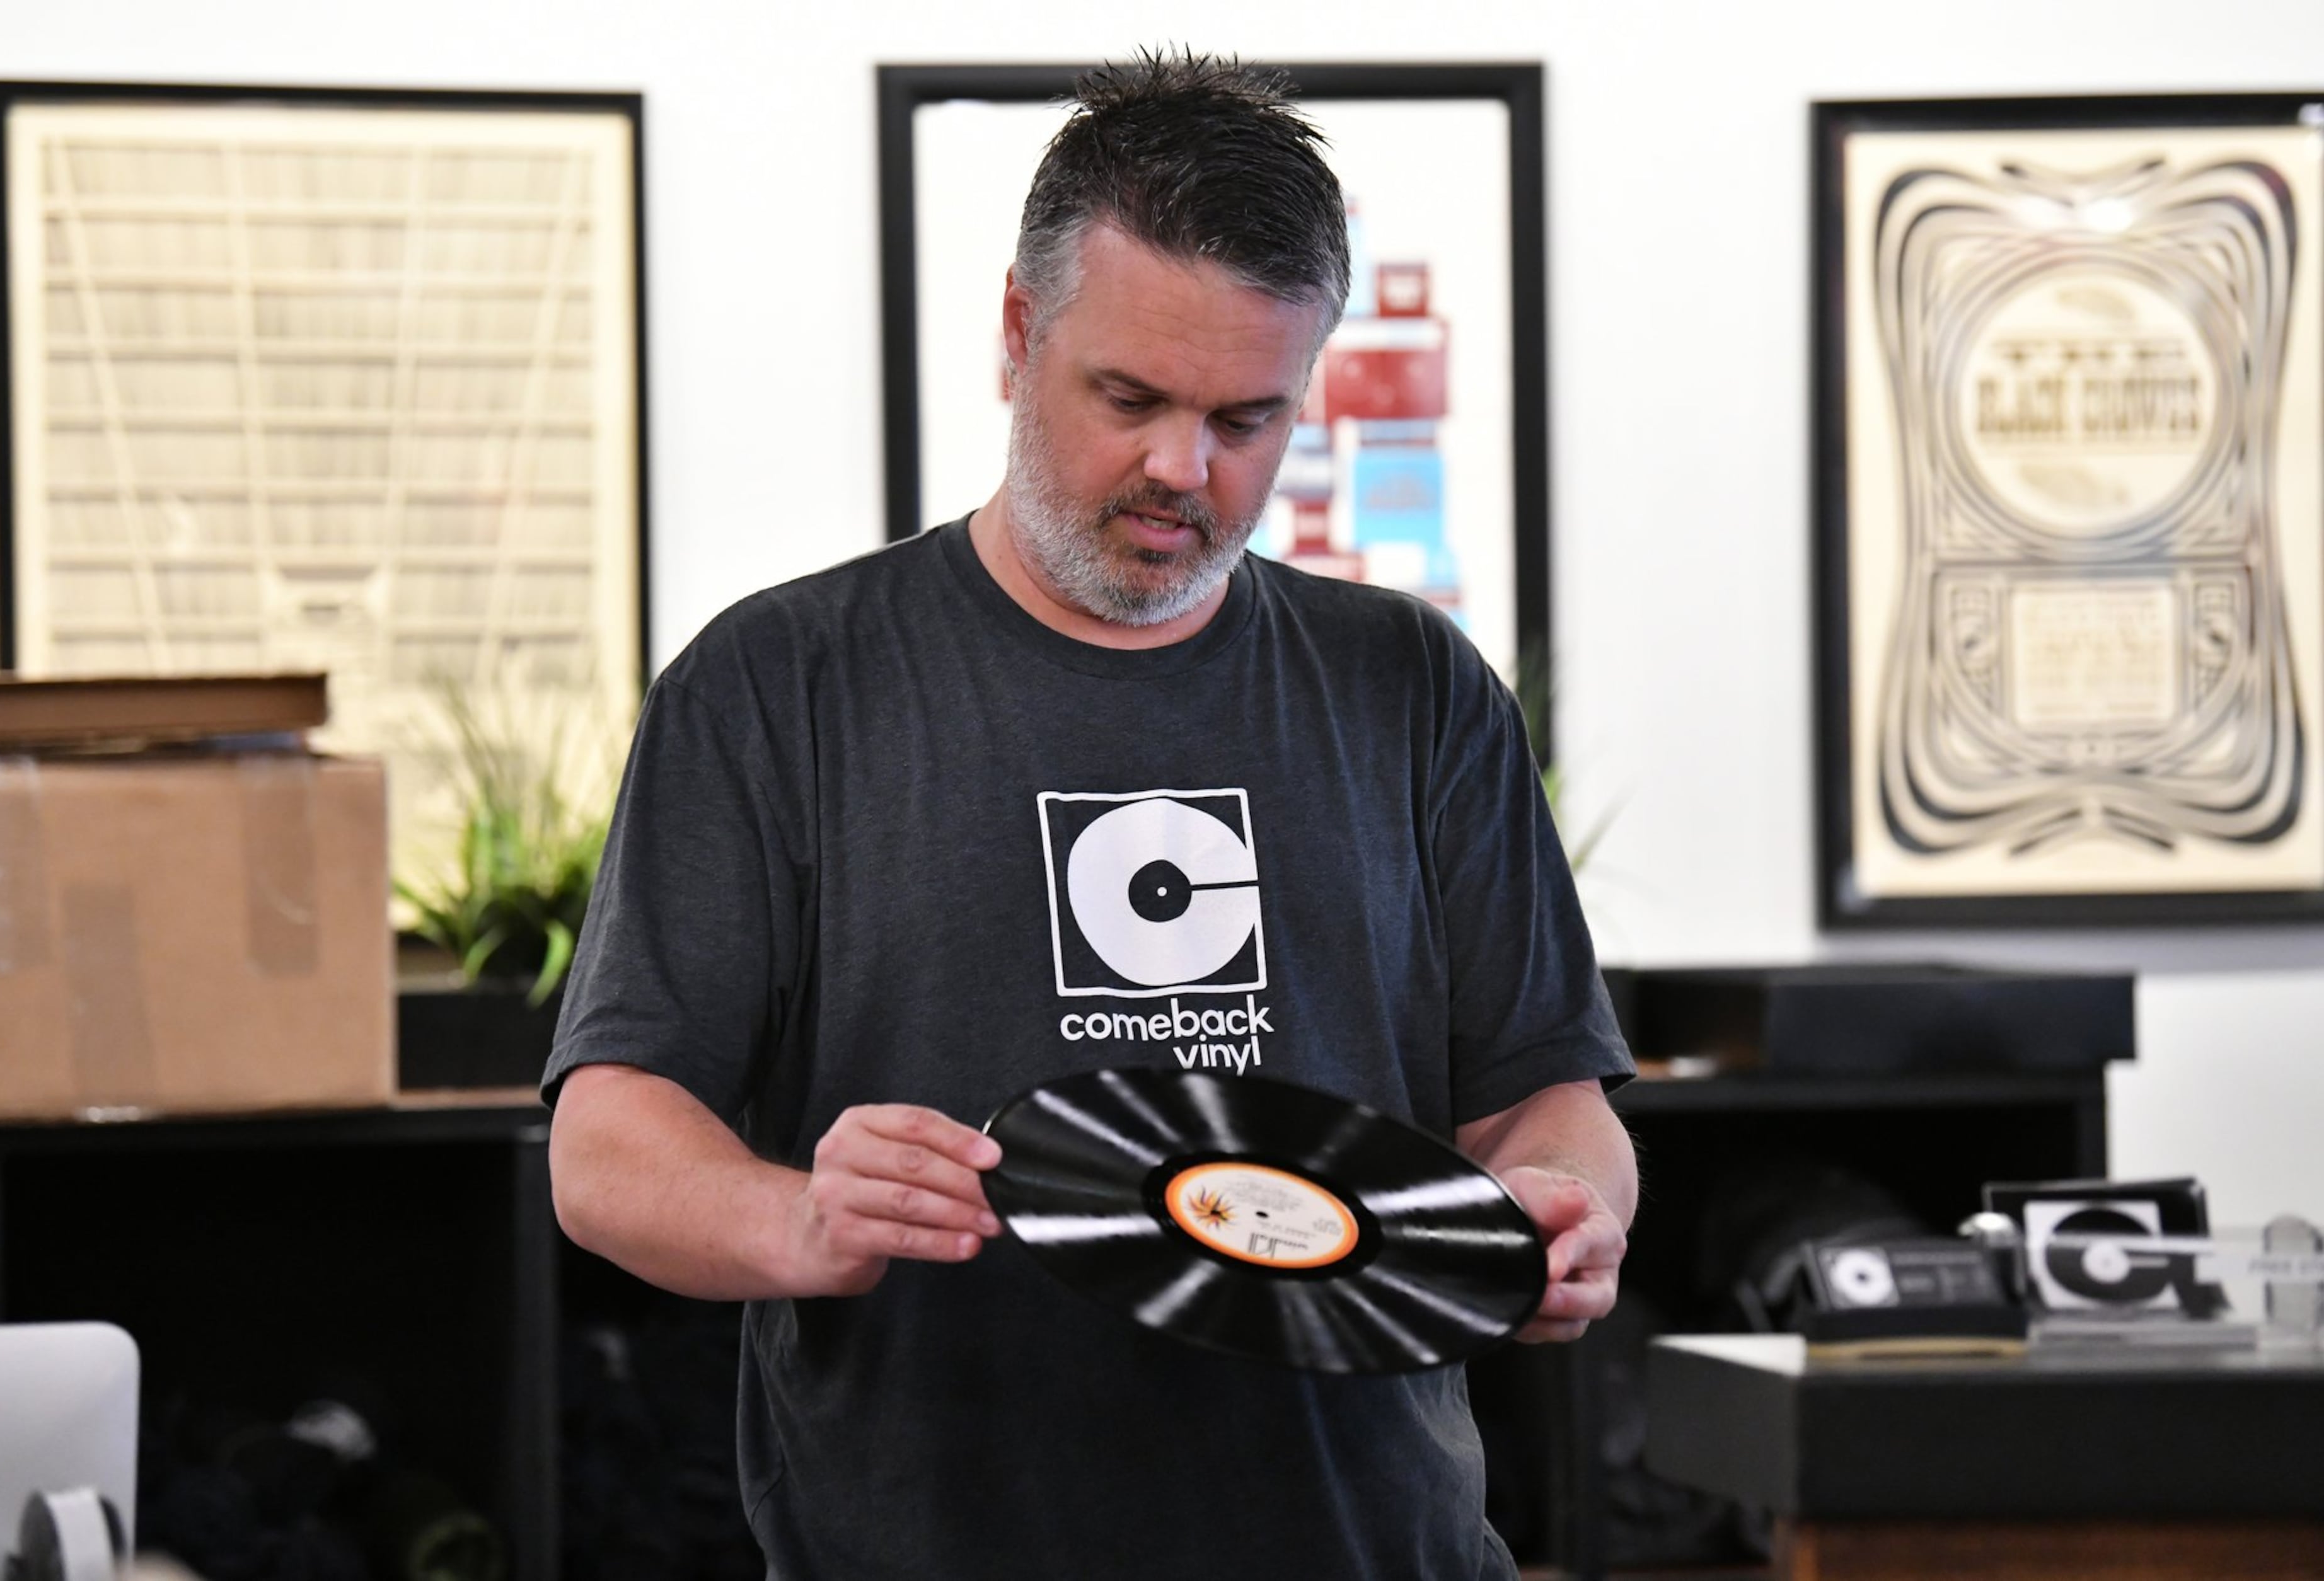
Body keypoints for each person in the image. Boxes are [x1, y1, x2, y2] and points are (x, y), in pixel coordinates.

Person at [545, 49, 1637, 1581]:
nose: (1182, 468)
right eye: (1129, 399)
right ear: (1017, 333)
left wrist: (1565, 1207)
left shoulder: (1414, 686)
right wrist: (799, 1221)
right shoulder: (777, 683)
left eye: (1248, 418)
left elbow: (1544, 1098)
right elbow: (605, 1145)